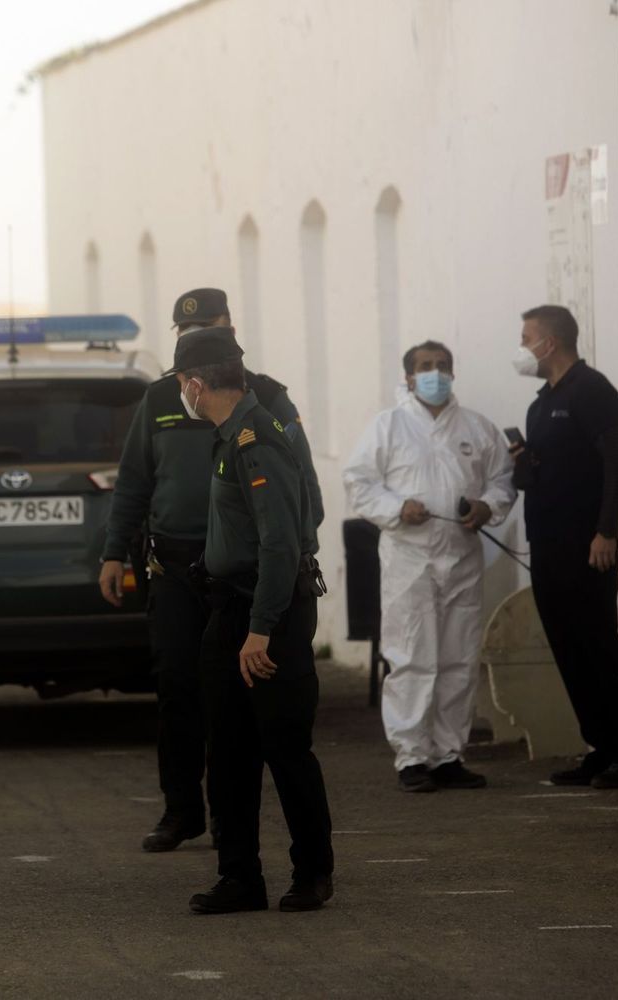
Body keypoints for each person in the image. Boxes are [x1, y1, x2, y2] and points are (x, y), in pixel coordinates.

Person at [98, 287, 322, 853]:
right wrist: (113, 550)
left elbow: (305, 489)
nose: (193, 341)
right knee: (178, 686)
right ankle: (182, 809)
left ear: (229, 333)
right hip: (176, 568)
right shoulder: (161, 398)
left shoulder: (265, 399)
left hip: (245, 572)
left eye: (208, 328)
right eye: (184, 332)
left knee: (250, 712)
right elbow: (134, 480)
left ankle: (235, 825)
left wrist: (294, 544)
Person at [165, 327, 334, 914]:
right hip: (234, 607)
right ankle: (239, 877)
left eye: (181, 386)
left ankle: (312, 874)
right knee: (230, 753)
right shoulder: (231, 435)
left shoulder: (255, 439)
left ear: (195, 384)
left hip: (269, 612)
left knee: (285, 747)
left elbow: (282, 544)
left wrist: (260, 629)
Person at [343, 340, 517, 793]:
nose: (434, 373)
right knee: (412, 658)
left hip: (462, 556)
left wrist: (486, 507)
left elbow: (503, 481)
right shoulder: (388, 426)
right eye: (425, 367)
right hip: (409, 559)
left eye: (442, 366)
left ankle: (449, 755)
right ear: (408, 377)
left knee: (459, 658)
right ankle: (412, 756)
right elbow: (359, 483)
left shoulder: (478, 428)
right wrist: (398, 507)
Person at [509, 305, 618, 789]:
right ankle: (602, 747)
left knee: (599, 643)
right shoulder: (539, 402)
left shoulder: (591, 391)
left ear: (549, 343)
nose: (523, 345)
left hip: (588, 545)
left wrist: (606, 529)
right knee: (569, 648)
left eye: (527, 336)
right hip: (546, 546)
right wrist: (524, 463)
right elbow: (541, 476)